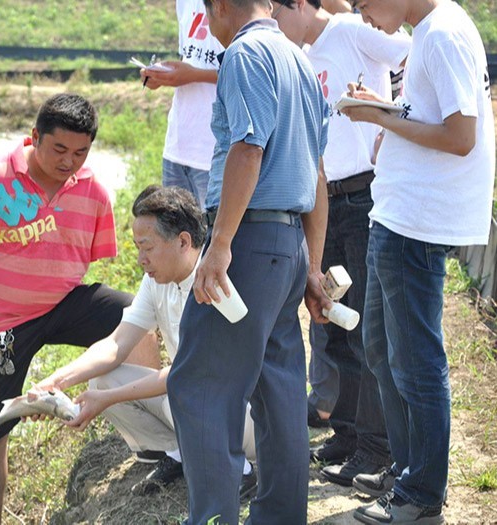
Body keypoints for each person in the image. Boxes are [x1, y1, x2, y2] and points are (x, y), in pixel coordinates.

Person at [0, 93, 158, 524]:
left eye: (80, 152)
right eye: (58, 149)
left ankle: (157, 434)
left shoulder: (93, 190)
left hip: (60, 305)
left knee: (134, 317)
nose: (68, 161)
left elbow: (88, 258)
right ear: (34, 137)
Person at [166, 1, 331, 523]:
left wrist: (220, 245)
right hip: (287, 244)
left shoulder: (244, 52)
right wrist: (311, 267)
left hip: (250, 240)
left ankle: (212, 515)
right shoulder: (300, 60)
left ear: (217, 7)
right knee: (278, 384)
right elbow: (318, 176)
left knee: (199, 382)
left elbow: (247, 149)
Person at [340, 0, 495, 523]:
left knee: (416, 363)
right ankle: (407, 470)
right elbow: (432, 117)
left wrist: (381, 115)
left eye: (363, 3)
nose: (362, 15)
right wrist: (382, 107)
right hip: (399, 214)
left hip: (418, 223)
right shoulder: (432, 29)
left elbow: (460, 135)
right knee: (383, 350)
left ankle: (422, 494)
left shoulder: (444, 33)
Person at [35, 185, 258, 499]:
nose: (141, 260)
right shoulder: (157, 280)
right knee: (104, 379)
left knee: (186, 390)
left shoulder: (215, 281)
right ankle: (178, 452)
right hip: (191, 398)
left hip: (241, 418)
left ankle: (239, 470)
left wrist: (109, 400)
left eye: (147, 248)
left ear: (183, 241)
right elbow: (116, 345)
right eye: (138, 248)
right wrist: (54, 382)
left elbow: (190, 371)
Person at [271, 0, 411, 487]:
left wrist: (389, 110)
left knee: (369, 331)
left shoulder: (352, 29)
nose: (273, 26)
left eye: (274, 14)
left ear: (301, 6)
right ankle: (349, 433)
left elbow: (410, 52)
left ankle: (377, 449)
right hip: (326, 202)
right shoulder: (303, 55)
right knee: (333, 321)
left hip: (366, 194)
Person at [140, 0, 224, 209]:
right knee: (175, 234)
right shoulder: (185, 3)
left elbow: (248, 68)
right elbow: (190, 57)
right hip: (178, 145)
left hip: (214, 151)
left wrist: (193, 75)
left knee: (211, 237)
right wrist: (162, 76)